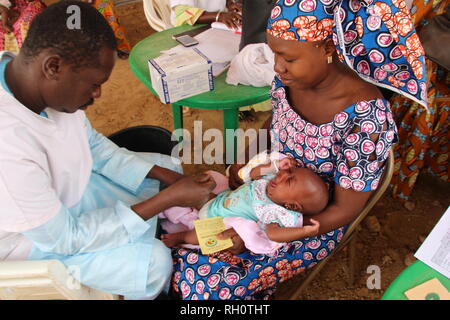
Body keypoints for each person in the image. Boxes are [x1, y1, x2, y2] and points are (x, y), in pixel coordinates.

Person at [171, 0, 427, 300]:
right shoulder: (287, 80)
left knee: (215, 283)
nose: (277, 67)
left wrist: (263, 230)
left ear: (328, 49)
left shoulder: (366, 120)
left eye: (288, 58)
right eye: (273, 53)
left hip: (305, 222)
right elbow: (273, 125)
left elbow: (343, 210)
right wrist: (240, 169)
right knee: (186, 225)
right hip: (263, 190)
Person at [0, 1, 216, 300]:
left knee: (167, 167)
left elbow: (92, 144)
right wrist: (166, 198)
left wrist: (167, 179)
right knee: (154, 263)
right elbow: (66, 238)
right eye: (94, 84)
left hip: (61, 196)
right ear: (53, 67)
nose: (98, 94)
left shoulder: (34, 82)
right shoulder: (9, 148)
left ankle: (155, 216)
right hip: (31, 241)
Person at [161, 165, 326, 254]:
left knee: (199, 235)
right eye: (288, 172)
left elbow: (273, 234)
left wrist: (303, 231)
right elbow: (253, 173)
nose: (281, 175)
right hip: (220, 200)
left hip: (219, 222)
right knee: (198, 189)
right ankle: (164, 201)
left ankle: (181, 237)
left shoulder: (277, 212)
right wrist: (273, 166)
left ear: (292, 206)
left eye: (289, 181)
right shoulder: (271, 181)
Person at [169, 0, 242, 29]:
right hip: (191, 27)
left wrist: (229, 3)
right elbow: (184, 13)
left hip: (217, 24)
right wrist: (219, 16)